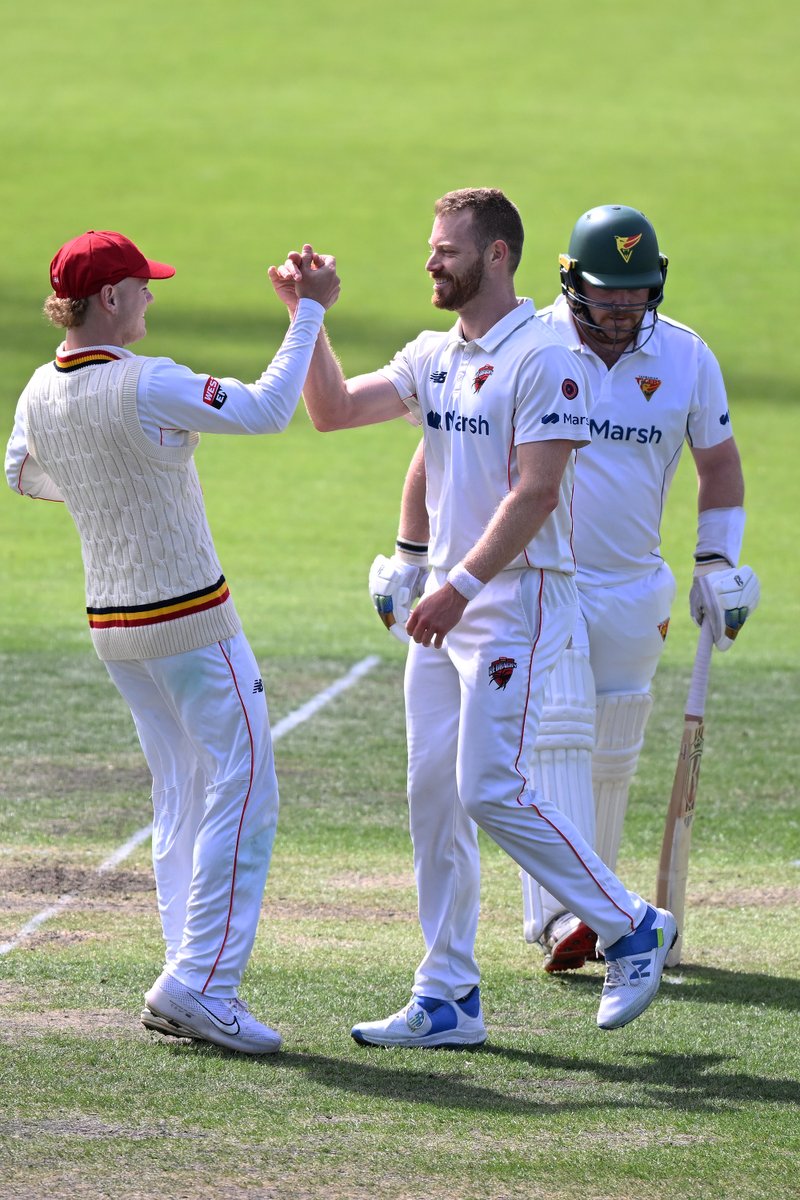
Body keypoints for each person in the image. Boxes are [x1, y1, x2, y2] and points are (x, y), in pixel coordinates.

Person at [271, 189, 677, 1048]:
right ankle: (448, 994)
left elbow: (537, 493)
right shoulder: (435, 354)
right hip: (445, 611)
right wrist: (310, 316)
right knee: (433, 799)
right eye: (431, 247)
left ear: (497, 256)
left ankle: (630, 924)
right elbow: (334, 410)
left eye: (447, 250)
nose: (431, 262)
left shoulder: (546, 359)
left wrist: (454, 583)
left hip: (511, 604)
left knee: (486, 785)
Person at [384, 204, 759, 976]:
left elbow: (718, 465)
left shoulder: (685, 356)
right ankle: (564, 918)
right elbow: (439, 446)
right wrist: (411, 553)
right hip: (540, 580)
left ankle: (604, 910)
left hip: (633, 584)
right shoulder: (534, 346)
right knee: (552, 736)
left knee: (612, 751)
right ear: (569, 280)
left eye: (635, 293)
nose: (622, 309)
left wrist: (717, 561)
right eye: (606, 292)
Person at [5, 229, 340, 1054]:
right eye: (141, 286)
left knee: (183, 789)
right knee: (246, 781)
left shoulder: (39, 389)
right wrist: (308, 316)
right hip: (189, 618)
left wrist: (107, 482)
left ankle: (186, 971)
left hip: (115, 626)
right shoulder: (148, 383)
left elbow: (21, 471)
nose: (152, 296)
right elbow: (264, 411)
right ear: (110, 299)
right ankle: (204, 983)